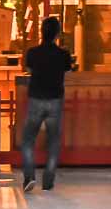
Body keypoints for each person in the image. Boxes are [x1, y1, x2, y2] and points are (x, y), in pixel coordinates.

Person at [20, 16, 73, 192]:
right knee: (53, 141)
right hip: (55, 100)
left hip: (36, 98)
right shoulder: (63, 54)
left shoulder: (33, 52)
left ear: (42, 32)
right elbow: (68, 70)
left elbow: (28, 69)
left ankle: (29, 176)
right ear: (57, 34)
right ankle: (48, 181)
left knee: (28, 140)